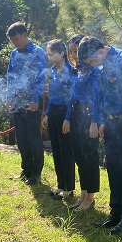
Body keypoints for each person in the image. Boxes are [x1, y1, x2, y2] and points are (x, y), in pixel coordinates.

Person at [78, 36, 122, 235]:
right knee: (113, 167)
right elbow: (99, 95)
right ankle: (115, 212)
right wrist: (100, 121)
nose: (92, 65)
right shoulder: (99, 67)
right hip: (109, 122)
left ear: (100, 50)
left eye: (92, 60)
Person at [5, 22, 47, 185]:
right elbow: (10, 76)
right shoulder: (14, 53)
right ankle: (26, 170)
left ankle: (36, 173)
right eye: (12, 40)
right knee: (21, 137)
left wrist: (35, 99)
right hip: (17, 100)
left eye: (16, 39)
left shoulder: (38, 52)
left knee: (33, 137)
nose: (14, 43)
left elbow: (41, 77)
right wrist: (9, 97)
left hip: (32, 100)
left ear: (25, 35)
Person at [64, 34, 101, 211]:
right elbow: (71, 96)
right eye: (72, 51)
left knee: (89, 156)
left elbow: (96, 96)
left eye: (77, 50)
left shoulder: (94, 70)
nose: (75, 54)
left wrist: (94, 121)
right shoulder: (76, 70)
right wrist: (67, 118)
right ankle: (83, 194)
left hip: (89, 114)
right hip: (76, 113)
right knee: (79, 155)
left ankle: (90, 197)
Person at [42, 39, 75, 200]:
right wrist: (47, 114)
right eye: (48, 54)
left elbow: (72, 98)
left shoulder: (70, 71)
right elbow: (52, 95)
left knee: (65, 150)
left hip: (65, 113)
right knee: (56, 149)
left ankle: (69, 187)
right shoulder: (53, 71)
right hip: (54, 111)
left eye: (52, 53)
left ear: (62, 53)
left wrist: (68, 118)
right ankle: (61, 184)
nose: (49, 57)